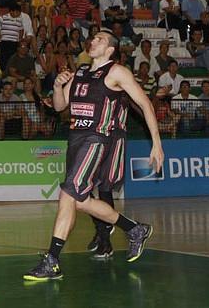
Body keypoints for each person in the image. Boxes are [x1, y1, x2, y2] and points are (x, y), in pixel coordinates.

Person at [24, 30, 164, 282]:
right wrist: (57, 86)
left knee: (68, 193)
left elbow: (145, 104)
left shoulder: (117, 72)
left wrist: (157, 143)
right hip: (76, 139)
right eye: (93, 37)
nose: (93, 40)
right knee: (79, 200)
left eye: (100, 38)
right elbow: (59, 106)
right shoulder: (79, 73)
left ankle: (52, 260)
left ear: (110, 48)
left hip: (98, 139)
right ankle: (135, 229)